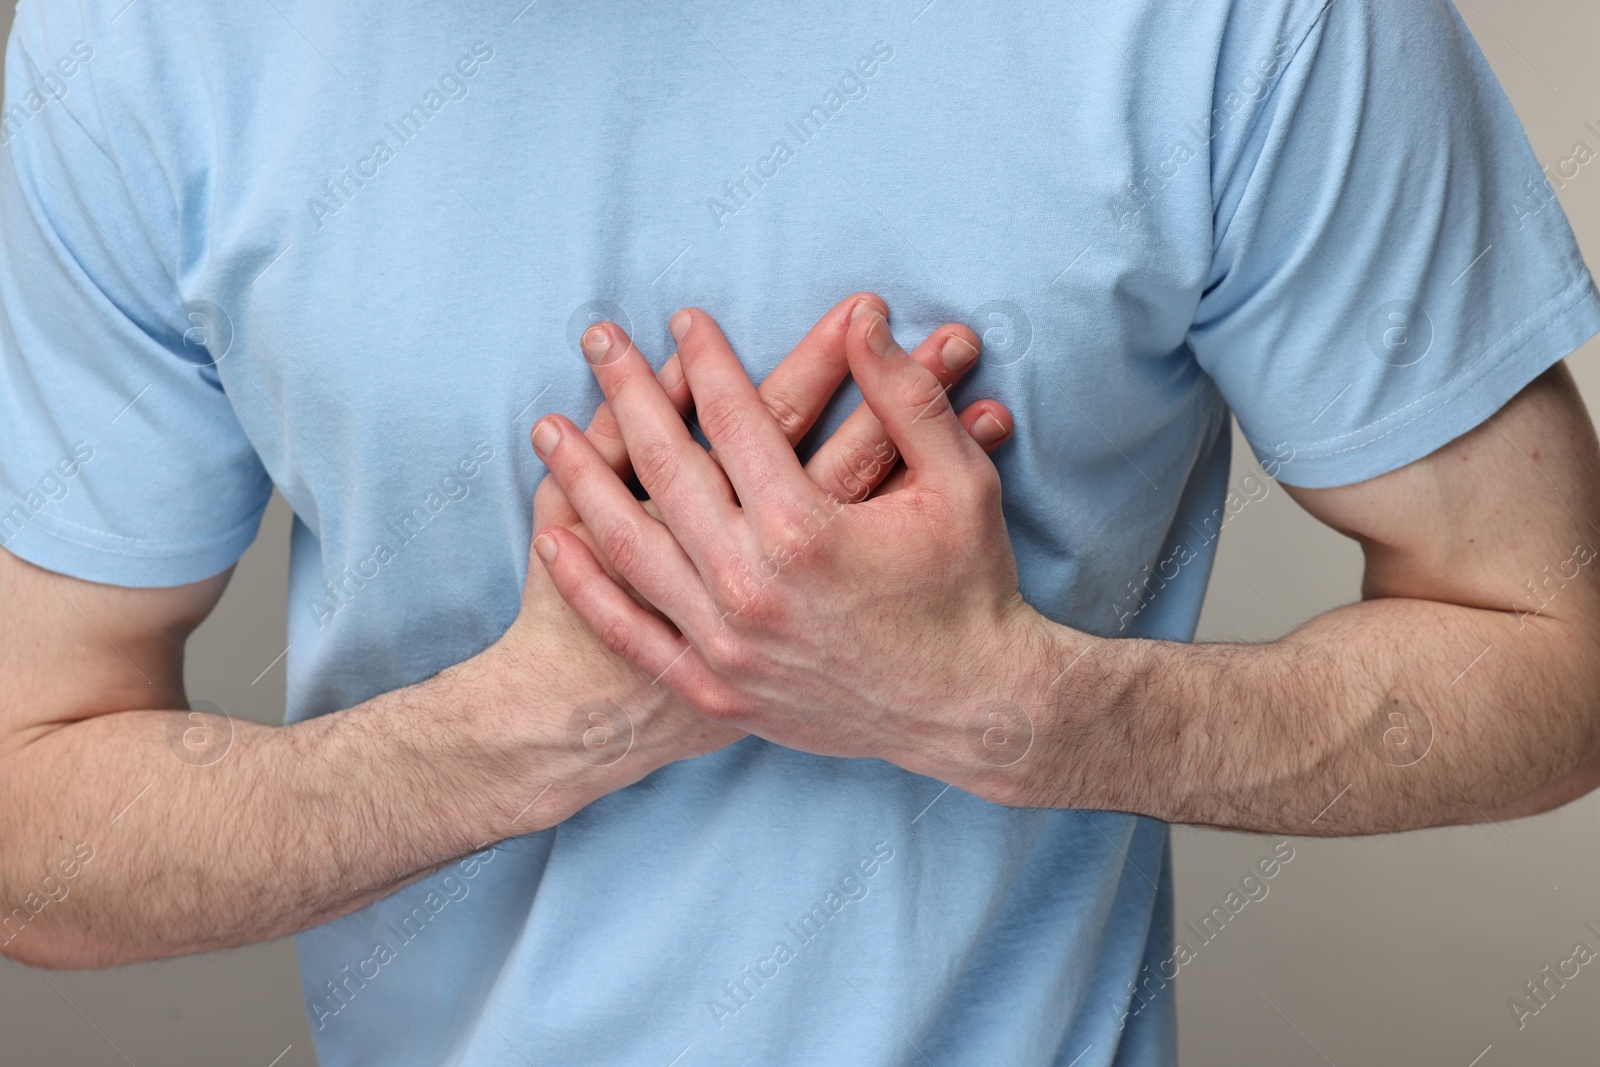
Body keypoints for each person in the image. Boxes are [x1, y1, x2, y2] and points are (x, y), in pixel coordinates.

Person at [2, 0, 1599, 1064]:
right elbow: (27, 824)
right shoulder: (147, 44)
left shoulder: (1246, 26)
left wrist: (1014, 707)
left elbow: (1555, 650)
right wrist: (533, 731)